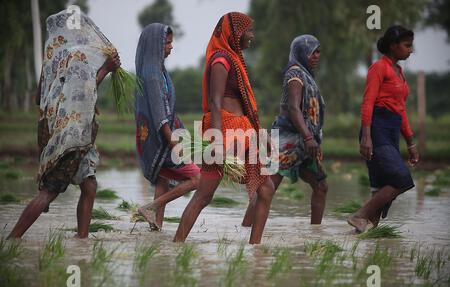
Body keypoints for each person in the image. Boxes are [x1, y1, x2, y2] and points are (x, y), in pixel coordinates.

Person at [7, 10, 121, 239]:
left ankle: (82, 241)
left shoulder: (52, 56)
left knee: (89, 185)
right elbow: (83, 93)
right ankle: (12, 240)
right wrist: (106, 69)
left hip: (68, 133)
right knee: (49, 191)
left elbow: (40, 97)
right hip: (70, 135)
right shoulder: (76, 55)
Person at [173, 12, 275, 244]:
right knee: (204, 195)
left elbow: (246, 106)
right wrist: (217, 142)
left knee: (266, 188)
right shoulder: (221, 60)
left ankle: (255, 249)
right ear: (235, 33)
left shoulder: (234, 60)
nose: (251, 35)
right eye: (248, 31)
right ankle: (177, 244)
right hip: (226, 133)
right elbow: (215, 102)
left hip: (243, 132)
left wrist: (261, 134)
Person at [244, 35, 328, 226]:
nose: (317, 55)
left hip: (304, 144)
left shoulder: (306, 75)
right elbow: (293, 108)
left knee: (321, 186)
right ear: (301, 52)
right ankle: (245, 230)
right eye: (313, 51)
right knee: (267, 187)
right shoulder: (295, 74)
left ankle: (316, 235)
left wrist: (308, 138)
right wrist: (308, 136)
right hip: (286, 141)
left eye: (318, 51)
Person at [347, 25, 419, 233]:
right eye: (406, 46)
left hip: (391, 130)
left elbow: (401, 110)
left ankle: (363, 238)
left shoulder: (399, 72)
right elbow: (368, 102)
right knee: (402, 179)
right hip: (376, 129)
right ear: (393, 45)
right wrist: (367, 136)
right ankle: (359, 215)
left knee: (380, 186)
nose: (410, 50)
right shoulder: (379, 68)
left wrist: (410, 142)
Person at [135, 23, 200, 231]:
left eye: (171, 42)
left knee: (163, 181)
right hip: (163, 140)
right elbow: (160, 116)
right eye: (167, 42)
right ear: (156, 45)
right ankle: (151, 207)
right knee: (197, 178)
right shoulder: (153, 74)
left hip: (161, 139)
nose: (171, 47)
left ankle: (156, 229)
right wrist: (175, 144)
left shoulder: (157, 70)